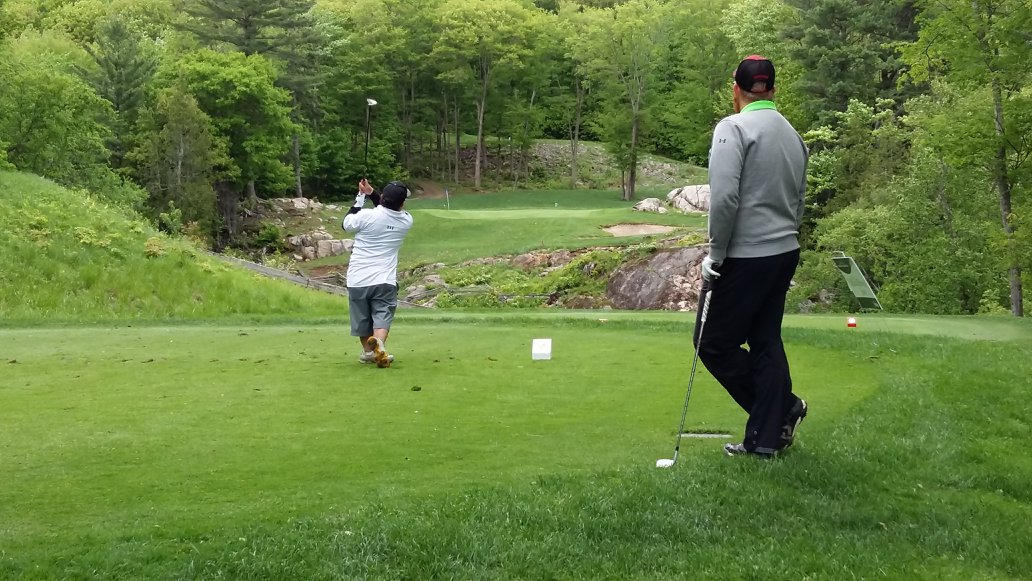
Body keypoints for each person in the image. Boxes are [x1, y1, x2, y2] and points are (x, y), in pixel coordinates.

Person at [697, 55, 809, 457]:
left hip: (747, 255)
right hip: (785, 250)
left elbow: (725, 199)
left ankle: (781, 410)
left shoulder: (733, 128)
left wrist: (716, 253)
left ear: (736, 90)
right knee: (765, 340)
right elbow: (799, 199)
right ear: (772, 90)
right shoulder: (793, 134)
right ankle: (766, 438)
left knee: (712, 343)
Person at [342, 178, 413, 368]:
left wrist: (361, 196)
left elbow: (346, 224)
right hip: (384, 280)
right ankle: (378, 346)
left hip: (358, 278)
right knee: (382, 316)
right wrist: (372, 193)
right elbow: (386, 211)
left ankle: (368, 352)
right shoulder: (406, 220)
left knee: (362, 319)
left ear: (383, 198)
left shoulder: (366, 216)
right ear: (402, 203)